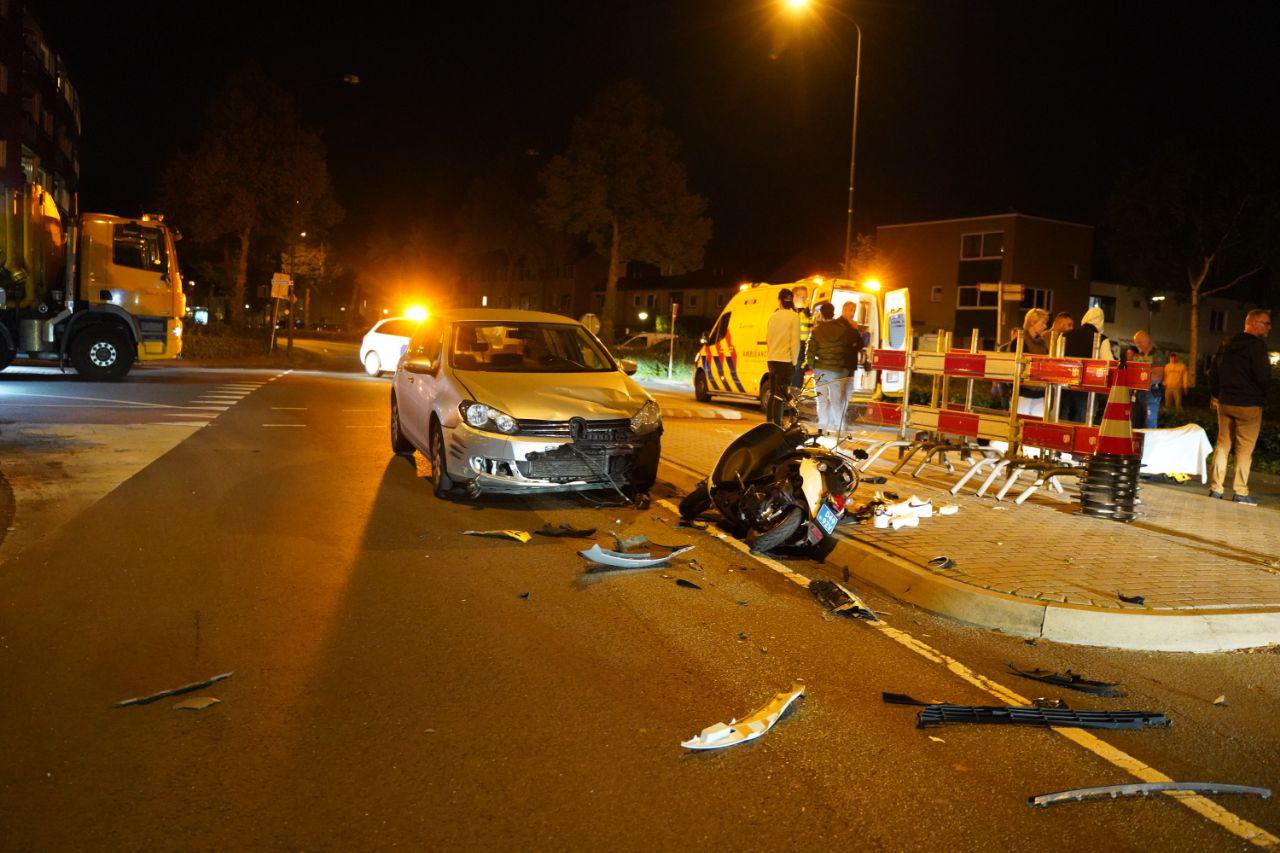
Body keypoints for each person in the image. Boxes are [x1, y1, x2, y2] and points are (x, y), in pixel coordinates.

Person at [1208, 309, 1272, 505]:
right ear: (1254, 323)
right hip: (1249, 404)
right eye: (1266, 323)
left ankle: (1216, 488)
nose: (1269, 327)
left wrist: (1217, 394)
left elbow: (1214, 372)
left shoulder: (1226, 343)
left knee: (1222, 445)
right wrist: (1264, 397)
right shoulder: (1257, 346)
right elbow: (1263, 376)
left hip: (1226, 402)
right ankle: (1240, 492)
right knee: (1244, 450)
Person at [808, 301, 863, 435]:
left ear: (821, 314)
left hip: (820, 370)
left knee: (821, 401)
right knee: (836, 401)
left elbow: (811, 351)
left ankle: (822, 428)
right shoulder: (842, 330)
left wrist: (811, 366)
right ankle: (839, 429)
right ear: (833, 313)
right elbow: (849, 347)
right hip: (836, 371)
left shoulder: (816, 331)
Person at [1060, 305, 1112, 423]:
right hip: (1087, 392)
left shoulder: (1065, 335)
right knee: (1082, 425)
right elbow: (1109, 363)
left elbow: (1056, 359)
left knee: (1061, 423)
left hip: (1064, 389)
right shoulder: (1102, 339)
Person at [765, 288, 802, 424]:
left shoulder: (772, 316)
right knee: (780, 395)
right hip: (785, 361)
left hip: (772, 360)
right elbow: (795, 342)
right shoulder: (794, 316)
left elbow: (768, 339)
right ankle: (777, 425)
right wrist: (794, 362)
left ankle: (769, 423)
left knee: (773, 392)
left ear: (779, 300)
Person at [1012, 308, 1050, 416]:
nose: (1045, 326)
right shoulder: (1020, 341)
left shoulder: (1042, 343)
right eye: (1043, 323)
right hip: (1023, 393)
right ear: (1033, 322)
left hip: (1037, 392)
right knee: (1021, 423)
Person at [1130, 330, 1168, 429]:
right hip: (1138, 392)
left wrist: (1140, 378)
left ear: (1147, 341)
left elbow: (1157, 376)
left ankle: (1149, 438)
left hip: (1151, 393)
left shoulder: (1157, 355)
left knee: (1149, 422)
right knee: (1136, 421)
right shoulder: (1139, 355)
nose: (1137, 345)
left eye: (1139, 342)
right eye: (1136, 343)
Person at [790, 285, 812, 389]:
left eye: (806, 297)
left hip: (802, 347)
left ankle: (795, 394)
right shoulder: (787, 311)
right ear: (794, 296)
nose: (805, 300)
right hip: (790, 346)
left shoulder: (807, 313)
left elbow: (811, 329)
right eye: (803, 297)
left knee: (799, 373)